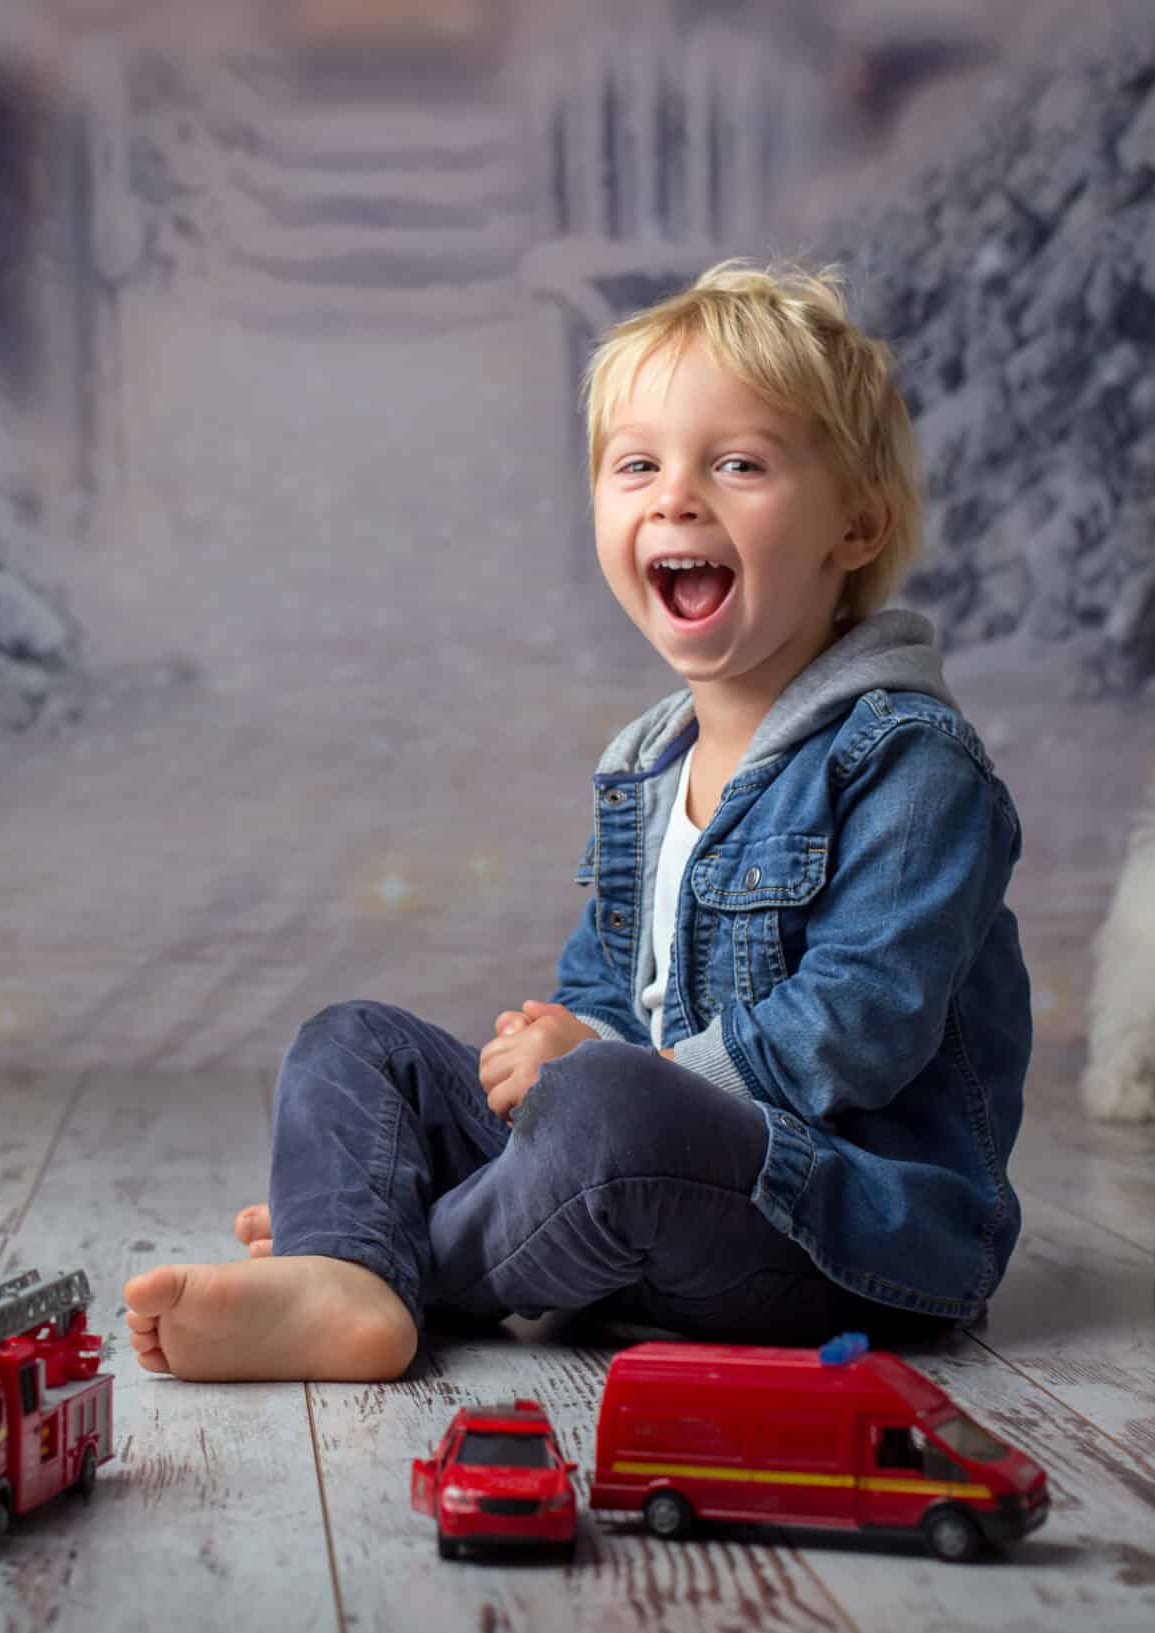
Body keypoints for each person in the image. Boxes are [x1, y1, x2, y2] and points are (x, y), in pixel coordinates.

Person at [124, 258, 1033, 1381]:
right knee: (352, 1042)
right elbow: (607, 989)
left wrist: (597, 1069)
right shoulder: (647, 768)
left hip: (829, 1231)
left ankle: (372, 1261)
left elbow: (851, 1033)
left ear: (854, 527)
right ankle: (355, 1270)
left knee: (607, 1112)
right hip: (638, 1190)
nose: (675, 496)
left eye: (737, 464)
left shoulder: (908, 762)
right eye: (637, 465)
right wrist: (563, 1049)